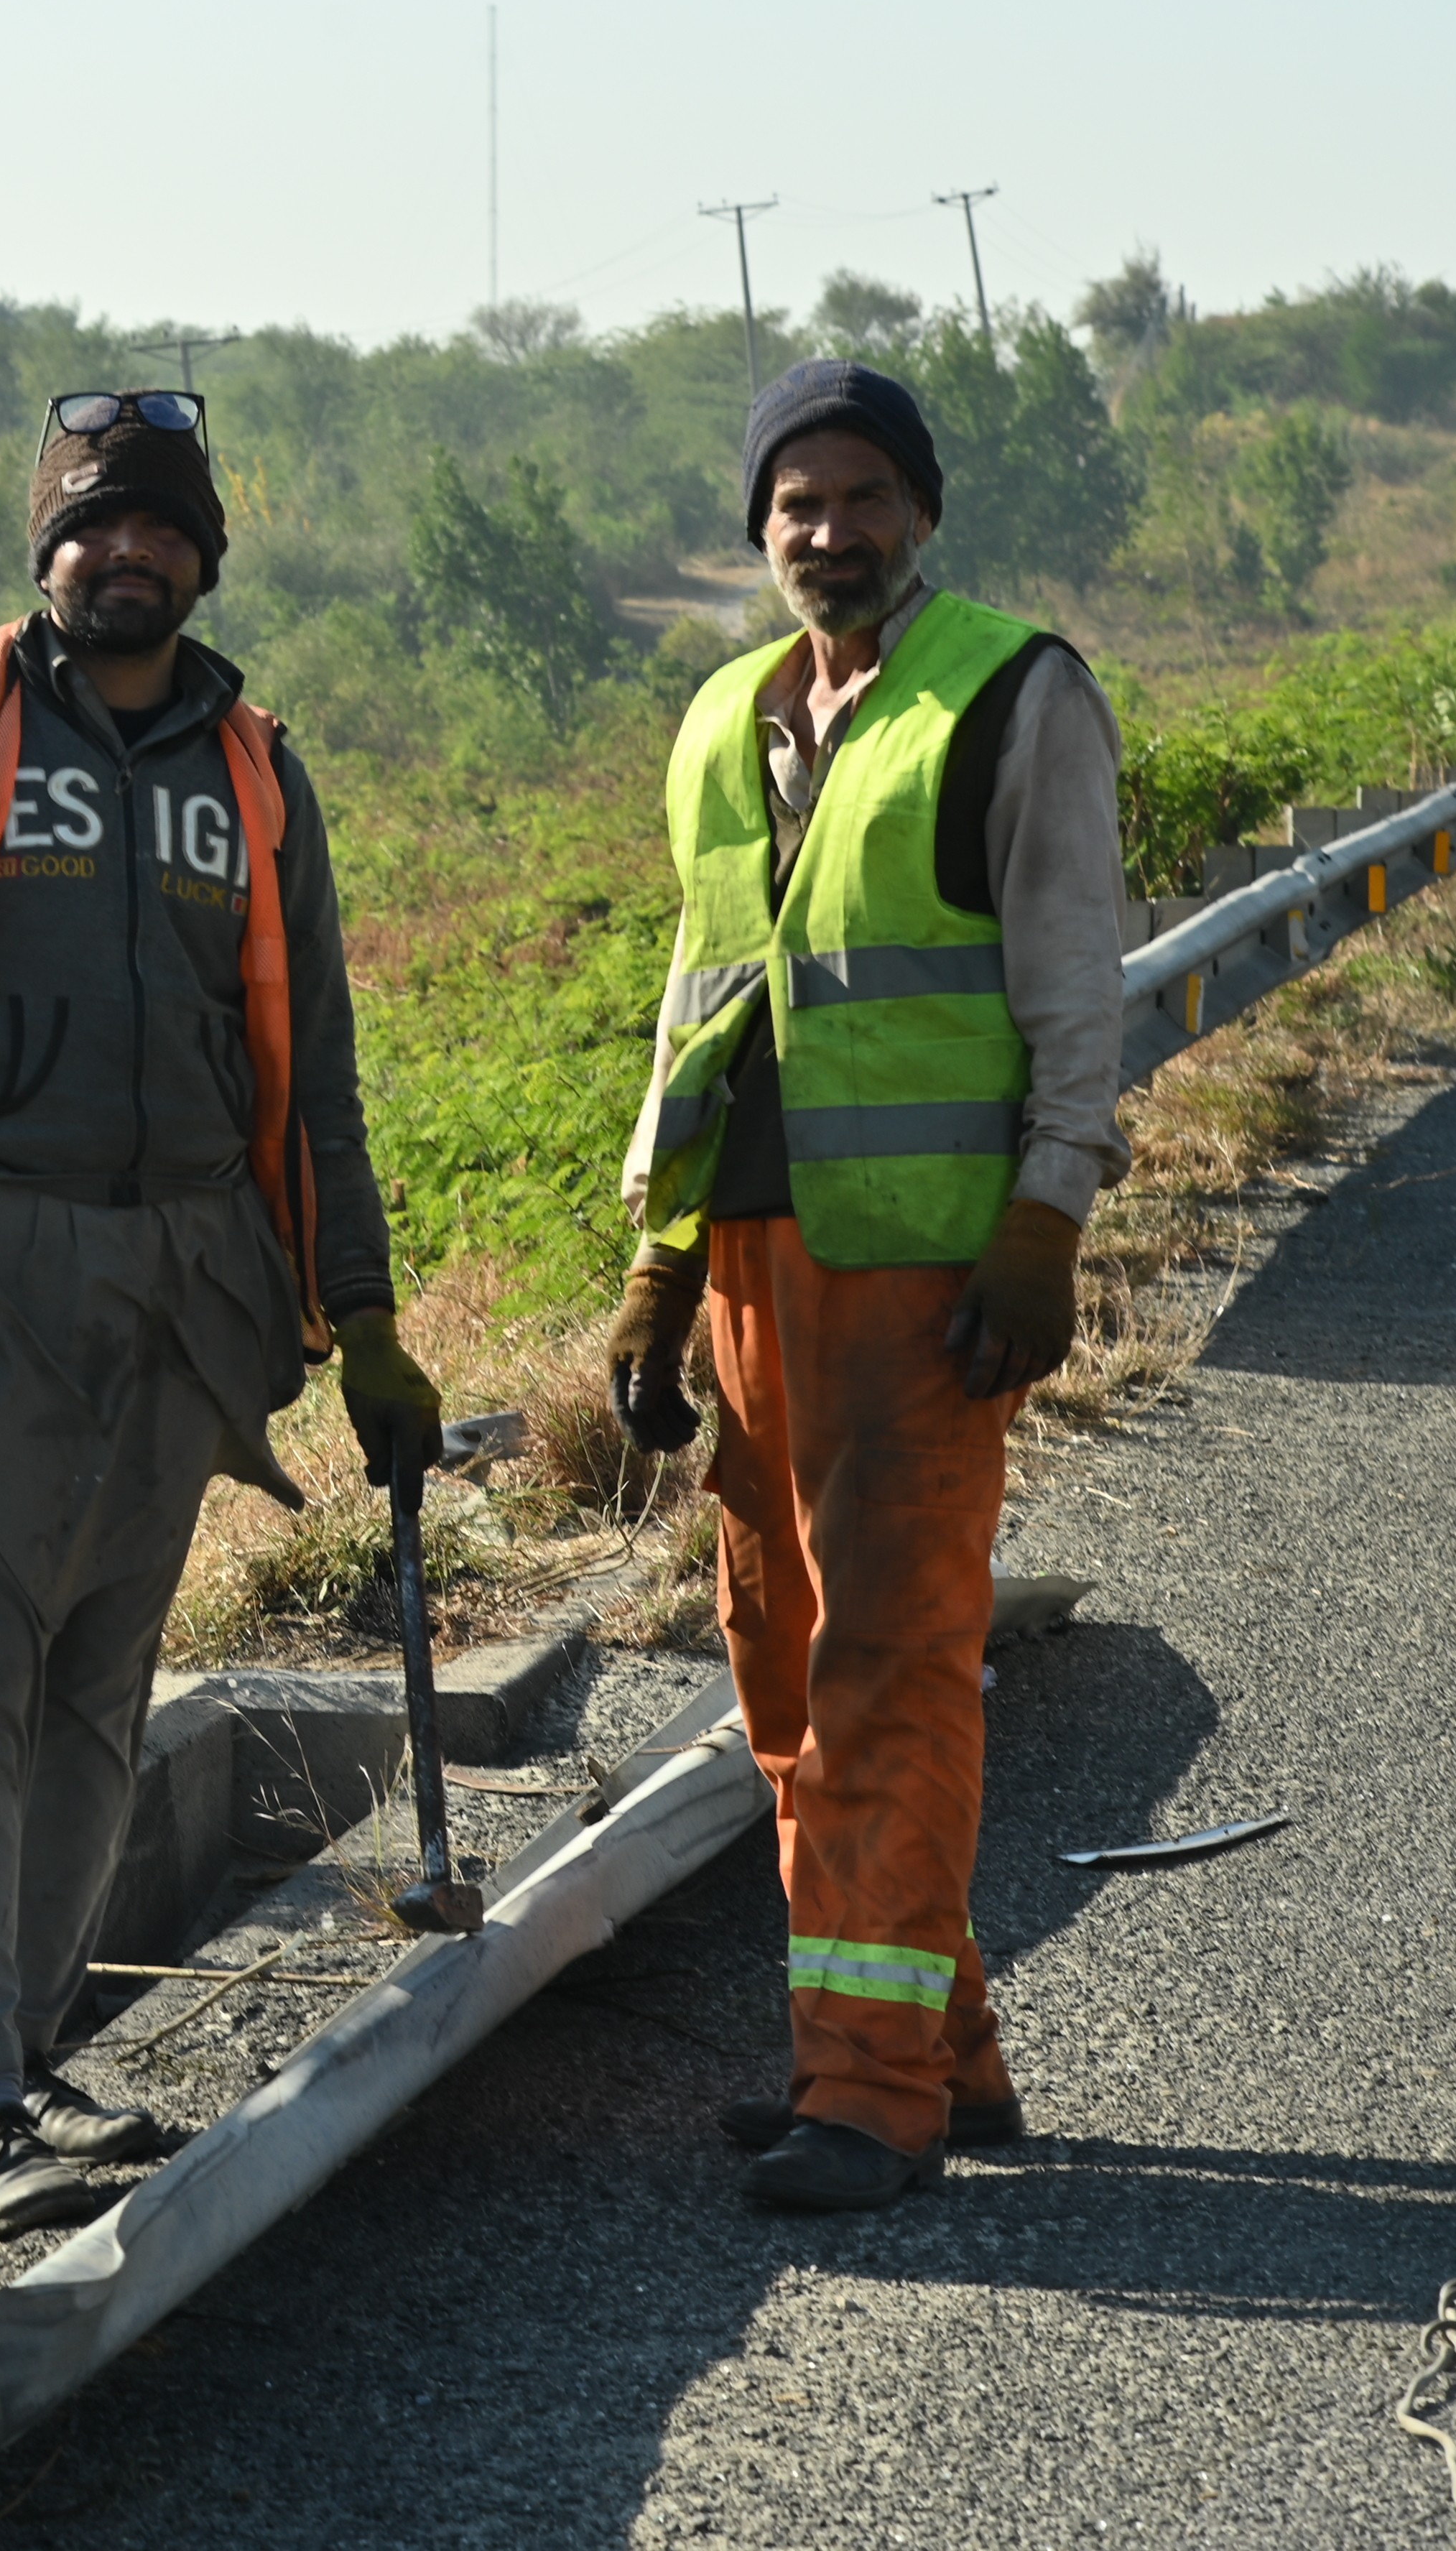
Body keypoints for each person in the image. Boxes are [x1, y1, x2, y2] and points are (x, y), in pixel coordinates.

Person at [0, 389, 440, 2239]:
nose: (120, 554)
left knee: (89, 1695)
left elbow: (314, 1070)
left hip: (184, 1284)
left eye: (155, 530)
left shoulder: (256, 770)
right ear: (45, 551)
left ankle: (34, 2057)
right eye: (88, 527)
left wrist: (359, 1311)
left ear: (203, 556)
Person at [608, 359, 1127, 2213]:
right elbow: (701, 997)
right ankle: (932, 2055)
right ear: (760, 529)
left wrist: (1048, 1219)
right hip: (755, 1257)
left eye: (860, 497)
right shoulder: (732, 715)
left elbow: (1077, 981)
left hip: (924, 1273)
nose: (828, 531)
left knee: (889, 1666)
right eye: (795, 504)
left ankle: (871, 2096)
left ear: (919, 512)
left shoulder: (1009, 693)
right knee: (776, 1663)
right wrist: (659, 1256)